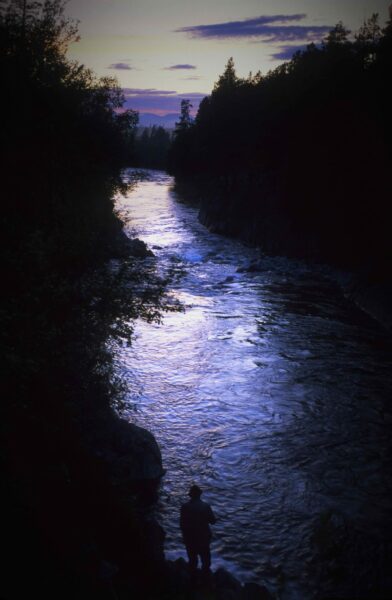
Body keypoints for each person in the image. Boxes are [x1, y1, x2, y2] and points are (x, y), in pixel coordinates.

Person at [180, 484, 217, 577]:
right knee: (206, 561)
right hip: (203, 538)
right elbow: (212, 521)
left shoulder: (184, 507)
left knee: (192, 561)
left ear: (190, 495)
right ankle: (205, 581)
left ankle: (193, 581)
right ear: (200, 494)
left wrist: (184, 537)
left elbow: (182, 524)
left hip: (190, 538)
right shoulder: (205, 506)